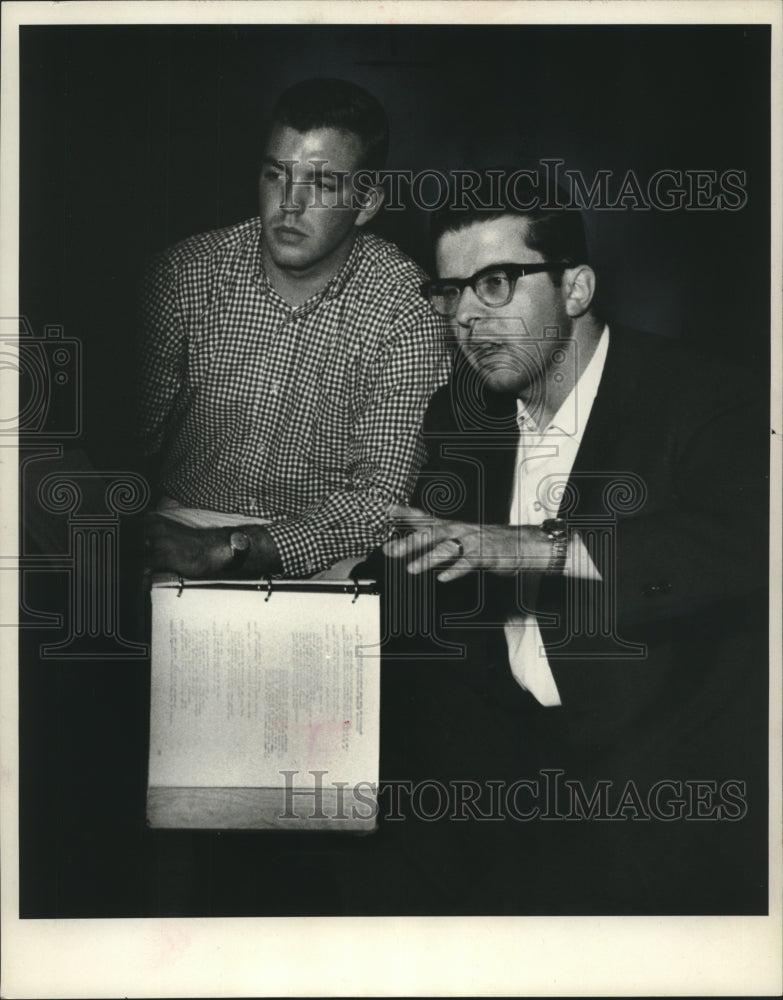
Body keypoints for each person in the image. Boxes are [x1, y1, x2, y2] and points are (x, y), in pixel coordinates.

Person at [376, 170, 768, 914]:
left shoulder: (706, 395)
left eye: (494, 283)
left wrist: (539, 548)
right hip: (497, 779)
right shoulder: (459, 416)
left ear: (576, 287)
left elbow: (753, 538)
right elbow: (431, 572)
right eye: (449, 290)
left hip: (661, 790)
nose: (464, 315)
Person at [138, 78, 448, 579]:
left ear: (367, 203)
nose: (289, 204)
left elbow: (378, 504)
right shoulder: (184, 274)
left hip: (326, 550)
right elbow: (122, 448)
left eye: (322, 184)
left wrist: (235, 547)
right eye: (275, 176)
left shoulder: (407, 309)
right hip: (181, 524)